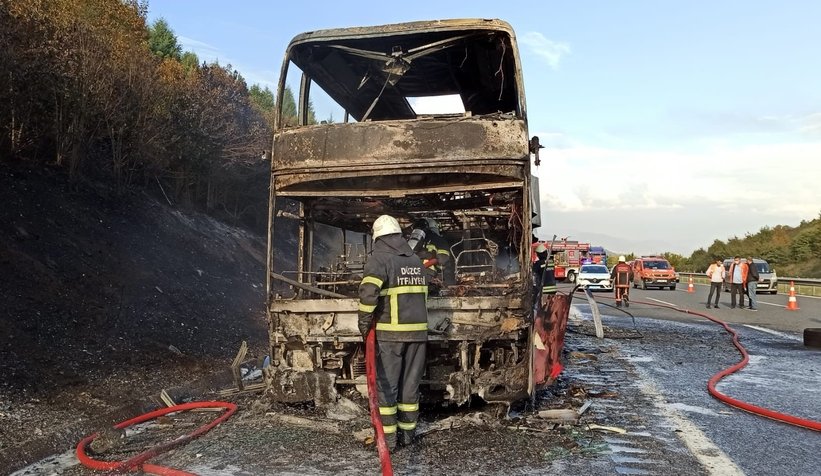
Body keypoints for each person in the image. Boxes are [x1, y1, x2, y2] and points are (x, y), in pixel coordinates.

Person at [358, 215, 429, 451]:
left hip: (390, 335)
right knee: (410, 387)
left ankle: (387, 441)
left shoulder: (379, 259)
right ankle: (407, 436)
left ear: (378, 237)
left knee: (387, 388)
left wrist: (364, 323)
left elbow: (368, 295)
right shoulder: (416, 261)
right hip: (418, 334)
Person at [409, 218, 450, 291]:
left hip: (410, 275)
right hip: (429, 276)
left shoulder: (412, 240)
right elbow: (442, 260)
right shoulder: (440, 240)